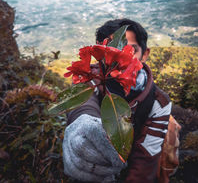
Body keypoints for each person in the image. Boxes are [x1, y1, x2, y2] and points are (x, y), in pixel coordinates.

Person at [63, 19, 172, 183]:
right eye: (112, 50)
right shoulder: (88, 79)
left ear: (145, 53)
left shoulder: (159, 102)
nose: (123, 57)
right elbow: (81, 107)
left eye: (132, 50)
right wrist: (81, 123)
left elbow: (145, 164)